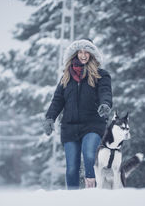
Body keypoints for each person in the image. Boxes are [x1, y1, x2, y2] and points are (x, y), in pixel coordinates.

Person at [43, 38, 112, 189]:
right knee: (72, 168)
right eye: (80, 52)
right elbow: (57, 100)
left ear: (92, 54)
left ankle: (91, 191)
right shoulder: (66, 77)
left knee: (89, 155)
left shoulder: (101, 75)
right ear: (74, 54)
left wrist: (105, 105)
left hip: (92, 124)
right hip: (70, 127)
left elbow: (105, 92)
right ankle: (72, 200)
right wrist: (50, 118)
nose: (83, 55)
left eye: (87, 52)